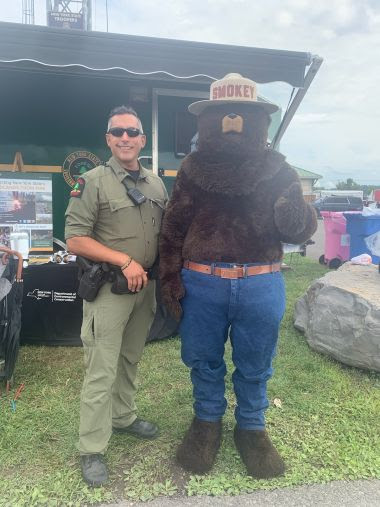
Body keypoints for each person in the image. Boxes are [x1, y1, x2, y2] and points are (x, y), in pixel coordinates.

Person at [159, 73, 317, 478]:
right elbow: (174, 227)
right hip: (202, 281)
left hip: (260, 282)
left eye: (242, 114)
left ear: (259, 120)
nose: (232, 121)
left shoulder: (279, 170)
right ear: (208, 120)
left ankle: (252, 428)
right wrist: (170, 278)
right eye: (222, 115)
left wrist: (294, 209)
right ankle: (206, 423)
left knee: (256, 362)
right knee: (203, 359)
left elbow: (297, 231)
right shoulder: (192, 169)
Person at [65, 105, 168, 487]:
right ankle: (92, 447)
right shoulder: (91, 182)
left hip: (146, 289)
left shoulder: (156, 185)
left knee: (130, 358)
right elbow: (75, 238)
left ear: (142, 139)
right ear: (108, 139)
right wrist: (124, 260)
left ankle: (123, 417)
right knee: (101, 368)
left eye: (132, 132)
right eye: (117, 132)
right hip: (109, 289)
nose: (125, 138)